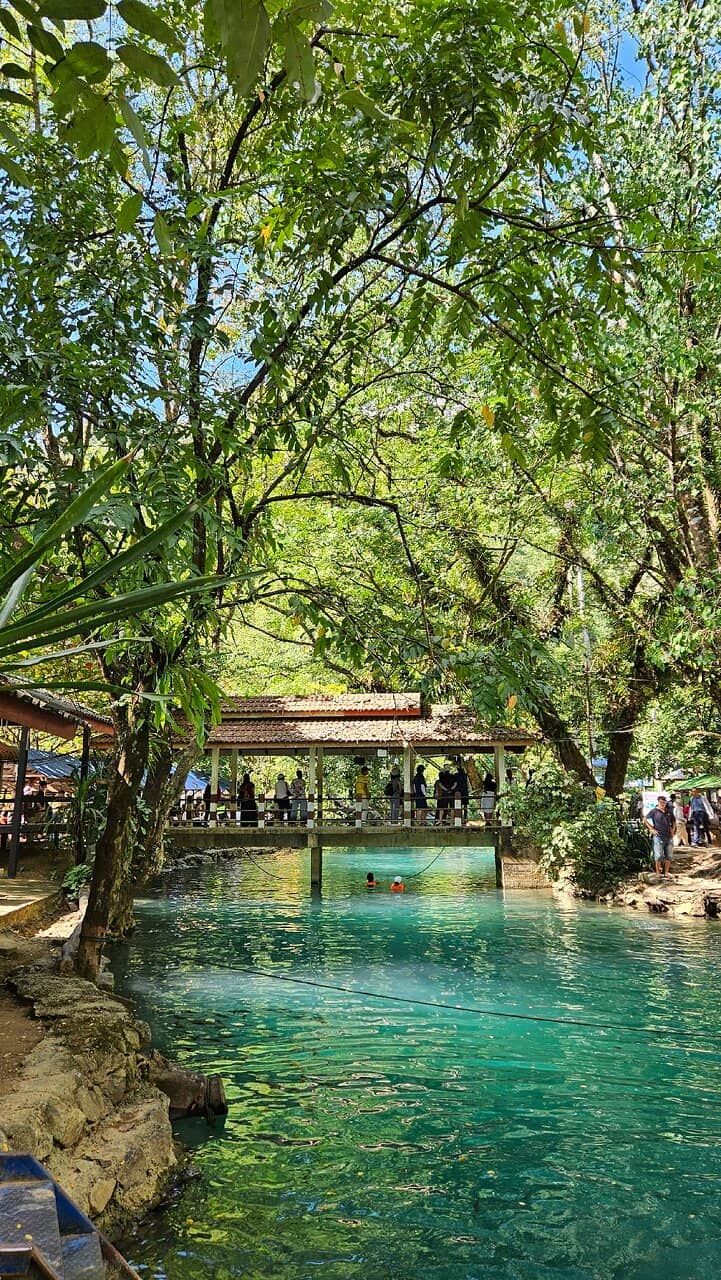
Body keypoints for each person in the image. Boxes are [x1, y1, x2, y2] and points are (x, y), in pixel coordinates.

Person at [644, 794, 675, 877]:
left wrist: (673, 830)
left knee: (669, 855)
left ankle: (666, 872)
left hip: (668, 835)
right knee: (658, 855)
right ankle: (658, 872)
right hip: (658, 836)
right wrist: (651, 829)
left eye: (664, 803)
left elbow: (673, 821)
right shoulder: (654, 811)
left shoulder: (669, 812)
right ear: (658, 802)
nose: (663, 804)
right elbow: (645, 819)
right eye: (661, 802)